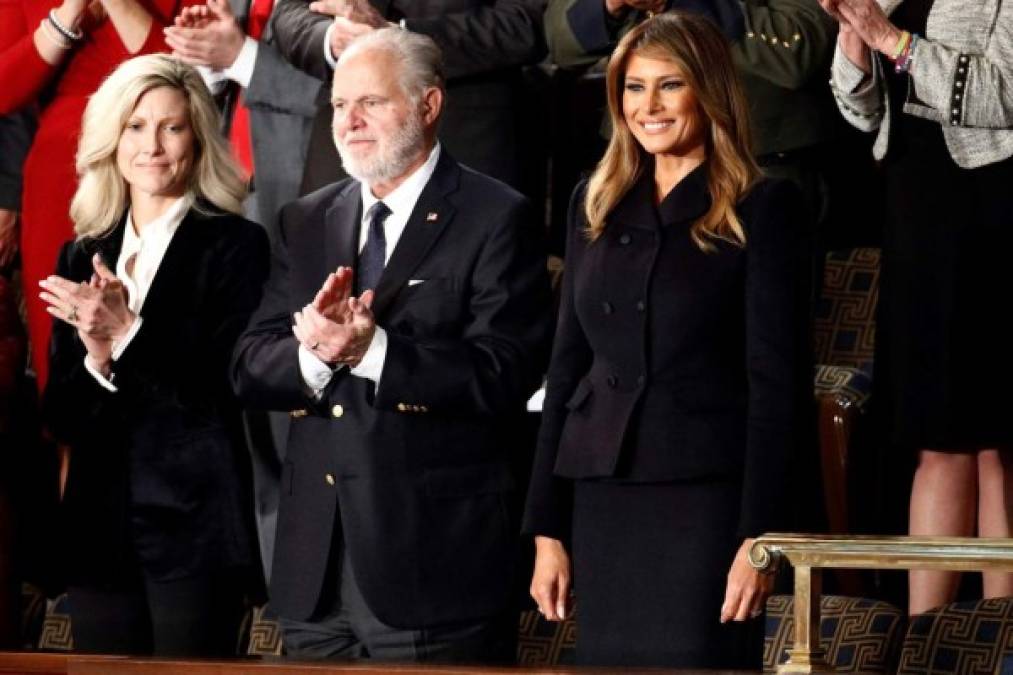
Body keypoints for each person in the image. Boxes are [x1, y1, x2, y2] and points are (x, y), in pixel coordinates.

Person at [231, 28, 552, 661]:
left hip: (435, 572)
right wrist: (316, 353)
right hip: (315, 576)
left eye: (370, 103)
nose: (348, 122)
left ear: (429, 106)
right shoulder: (307, 218)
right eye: (339, 106)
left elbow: (506, 373)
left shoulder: (495, 214)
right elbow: (248, 366)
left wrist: (373, 351)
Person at [523, 12, 811, 668]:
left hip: (704, 499)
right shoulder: (591, 203)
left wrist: (757, 537)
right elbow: (565, 370)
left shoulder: (763, 207)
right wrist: (547, 527)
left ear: (708, 92)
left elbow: (777, 384)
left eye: (667, 86)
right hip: (601, 492)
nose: (646, 106)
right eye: (631, 87)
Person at [40, 53, 269, 656]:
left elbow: (221, 393)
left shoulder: (237, 246)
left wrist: (130, 334)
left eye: (172, 126)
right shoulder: (80, 252)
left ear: (197, 138)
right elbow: (61, 416)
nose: (153, 146)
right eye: (136, 127)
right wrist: (95, 356)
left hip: (195, 531)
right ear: (112, 139)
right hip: (98, 533)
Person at [820, 0, 1013, 615]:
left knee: (996, 441)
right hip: (918, 212)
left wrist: (892, 39)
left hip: (991, 216)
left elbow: (1002, 97)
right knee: (935, 435)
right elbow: (863, 113)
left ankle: (995, 638)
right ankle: (925, 636)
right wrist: (855, 41)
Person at [163, 0, 326, 583]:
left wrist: (244, 58)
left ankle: (297, 583)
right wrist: (206, 61)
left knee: (290, 417)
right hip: (228, 209)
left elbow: (356, 100)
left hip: (307, 211)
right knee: (235, 407)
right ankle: (256, 578)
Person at [0, 0, 201, 392]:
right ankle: (66, 449)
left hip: (154, 168)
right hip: (59, 178)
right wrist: (66, 17)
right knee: (58, 345)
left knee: (156, 330)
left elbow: (184, 81)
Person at [267, 0, 546, 193]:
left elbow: (528, 21)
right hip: (343, 154)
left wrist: (399, 38)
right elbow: (287, 14)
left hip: (464, 138)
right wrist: (331, 38)